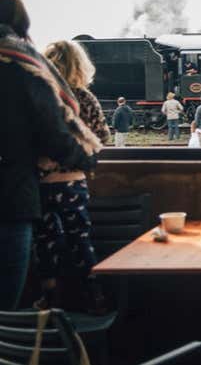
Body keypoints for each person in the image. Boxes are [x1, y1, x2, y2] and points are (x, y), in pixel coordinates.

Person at [0, 0, 99, 310]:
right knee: (5, 306)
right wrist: (86, 159)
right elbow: (52, 129)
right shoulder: (22, 64)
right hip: (10, 194)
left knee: (46, 248)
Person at [37, 40, 112, 312]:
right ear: (80, 66)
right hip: (72, 182)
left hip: (40, 182)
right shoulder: (85, 98)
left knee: (45, 243)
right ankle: (93, 297)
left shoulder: (39, 97)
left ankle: (49, 301)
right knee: (80, 239)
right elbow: (102, 136)